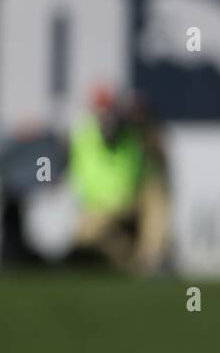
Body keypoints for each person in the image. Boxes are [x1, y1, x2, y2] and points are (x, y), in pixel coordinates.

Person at [67, 87, 171, 274]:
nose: (106, 118)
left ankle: (152, 257)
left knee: (156, 192)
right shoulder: (81, 135)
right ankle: (132, 260)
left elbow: (159, 158)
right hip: (98, 208)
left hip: (129, 202)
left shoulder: (133, 133)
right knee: (86, 235)